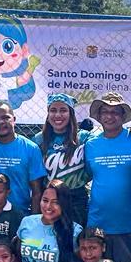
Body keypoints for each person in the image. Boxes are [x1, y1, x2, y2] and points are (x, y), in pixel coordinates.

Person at [83, 93, 131, 262]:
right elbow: (89, 174)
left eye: (115, 112)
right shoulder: (91, 145)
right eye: (105, 112)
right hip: (98, 222)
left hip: (128, 222)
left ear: (123, 116)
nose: (110, 116)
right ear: (99, 115)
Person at [0, 101, 46, 214]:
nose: (0, 122)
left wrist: (32, 220)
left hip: (21, 215)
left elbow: (37, 191)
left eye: (5, 117)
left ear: (14, 119)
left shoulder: (31, 148)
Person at [39, 94, 91, 227]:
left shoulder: (84, 138)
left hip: (76, 200)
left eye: (63, 110)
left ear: (71, 114)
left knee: (75, 236)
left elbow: (107, 137)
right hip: (49, 198)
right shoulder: (39, 139)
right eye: (53, 110)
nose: (58, 115)